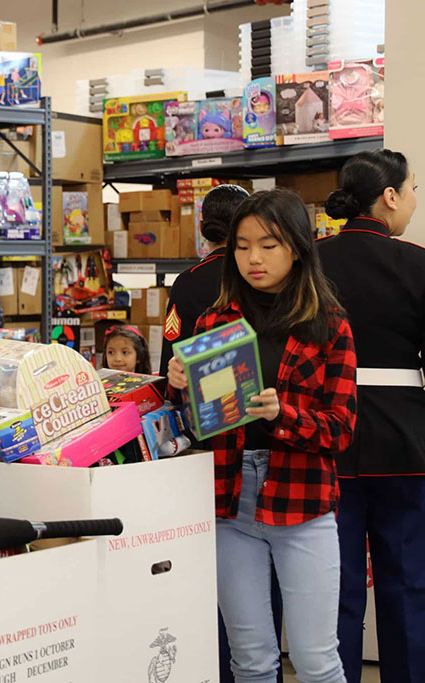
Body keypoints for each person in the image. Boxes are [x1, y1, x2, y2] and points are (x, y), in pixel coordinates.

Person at [167, 188, 356, 683]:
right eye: (243, 245)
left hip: (303, 503)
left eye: (268, 245)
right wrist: (181, 389)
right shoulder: (215, 321)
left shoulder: (329, 325)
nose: (253, 258)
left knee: (317, 660)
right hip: (229, 502)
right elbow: (198, 428)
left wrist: (284, 415)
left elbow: (341, 430)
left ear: (297, 247)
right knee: (249, 659)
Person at [317, 149, 425, 683]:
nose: (411, 202)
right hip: (405, 441)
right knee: (406, 582)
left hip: (326, 438)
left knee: (335, 585)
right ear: (388, 196)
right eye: (411, 191)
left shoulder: (311, 260)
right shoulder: (417, 262)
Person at [159, 184, 250, 375]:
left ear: (201, 227)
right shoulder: (259, 274)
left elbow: (173, 350)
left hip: (202, 388)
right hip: (259, 387)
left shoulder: (187, 281)